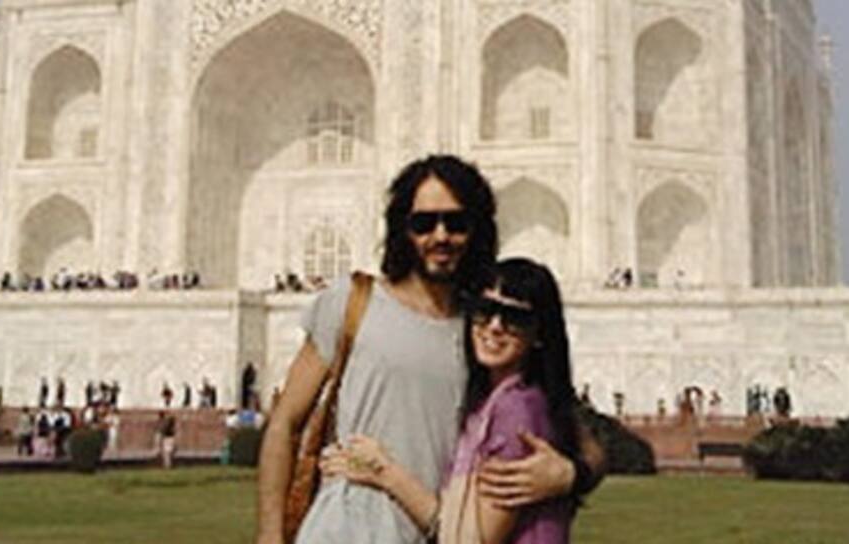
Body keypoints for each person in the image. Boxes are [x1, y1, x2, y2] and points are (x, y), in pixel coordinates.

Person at [256, 155, 605, 544]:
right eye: (424, 223)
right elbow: (285, 422)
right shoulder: (353, 302)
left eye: (456, 223)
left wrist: (571, 475)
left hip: (438, 530)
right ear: (403, 228)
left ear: (476, 229)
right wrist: (270, 536)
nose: (440, 236)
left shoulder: (486, 330)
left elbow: (581, 435)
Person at [324, 259, 580, 543]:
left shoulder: (517, 410)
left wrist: (385, 472)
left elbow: (467, 539)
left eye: (515, 318)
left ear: (539, 334)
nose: (495, 327)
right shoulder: (492, 401)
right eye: (485, 311)